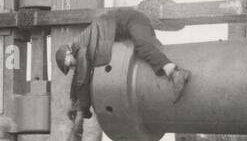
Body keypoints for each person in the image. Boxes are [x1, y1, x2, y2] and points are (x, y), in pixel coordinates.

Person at [56, 7, 190, 119]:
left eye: (70, 65)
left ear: (68, 53)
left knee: (142, 47)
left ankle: (175, 72)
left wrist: (81, 108)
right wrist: (73, 101)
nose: (73, 68)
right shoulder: (81, 47)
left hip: (133, 20)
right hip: (126, 27)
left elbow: (82, 78)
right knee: (141, 47)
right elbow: (78, 77)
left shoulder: (80, 48)